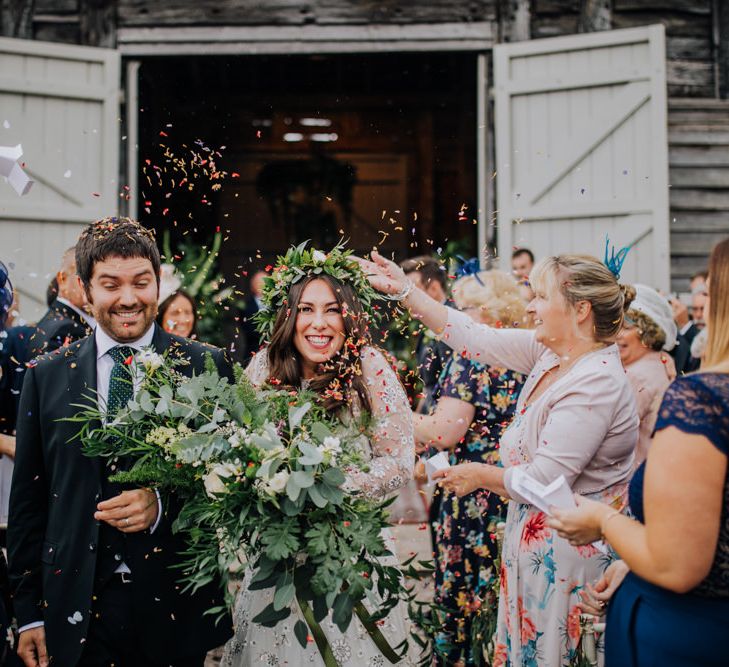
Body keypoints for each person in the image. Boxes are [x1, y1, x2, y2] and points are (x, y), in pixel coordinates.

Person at [358, 249, 638, 666]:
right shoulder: (552, 357)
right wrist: (404, 292)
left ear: (580, 310)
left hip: (570, 562)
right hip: (535, 547)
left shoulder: (595, 382)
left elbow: (545, 480)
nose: (529, 306)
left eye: (540, 297)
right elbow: (474, 336)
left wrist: (477, 474)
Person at [8, 218, 233, 667]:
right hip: (75, 610)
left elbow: (231, 486)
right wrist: (29, 614)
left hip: (172, 607)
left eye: (141, 283)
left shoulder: (206, 368)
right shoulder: (45, 375)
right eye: (111, 284)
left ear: (158, 284)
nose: (128, 299)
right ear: (85, 290)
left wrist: (163, 505)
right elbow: (29, 505)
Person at [222, 250, 416, 666]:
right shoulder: (263, 367)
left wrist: (330, 484)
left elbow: (398, 461)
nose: (319, 323)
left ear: (350, 316)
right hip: (279, 558)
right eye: (306, 310)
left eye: (332, 310)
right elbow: (240, 447)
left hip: (353, 554)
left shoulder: (370, 367)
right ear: (288, 316)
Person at [549, 237, 729, 667]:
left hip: (691, 632)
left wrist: (603, 521)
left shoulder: (705, 399)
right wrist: (634, 560)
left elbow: (676, 566)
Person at [414, 270, 527, 666]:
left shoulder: (474, 356)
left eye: (463, 308)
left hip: (471, 493)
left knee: (464, 589)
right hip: (511, 487)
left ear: (485, 311)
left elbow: (444, 431)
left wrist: (393, 413)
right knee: (498, 587)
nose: (455, 316)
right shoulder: (525, 352)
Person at [617, 284, 677, 467]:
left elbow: (615, 441)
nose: (618, 335)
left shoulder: (636, 377)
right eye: (616, 327)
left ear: (648, 333)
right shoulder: (660, 363)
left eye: (626, 328)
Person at [29, 246, 95, 357]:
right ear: (62, 279)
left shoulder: (55, 320)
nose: (93, 286)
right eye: (85, 278)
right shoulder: (65, 331)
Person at [238, 269, 266, 359]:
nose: (263, 285)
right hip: (254, 352)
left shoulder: (277, 304)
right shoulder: (245, 306)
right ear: (253, 286)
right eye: (259, 283)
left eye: (265, 282)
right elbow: (248, 329)